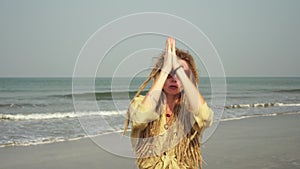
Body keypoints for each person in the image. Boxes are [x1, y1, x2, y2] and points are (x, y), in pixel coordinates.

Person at [124, 37, 213, 169]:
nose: (174, 79)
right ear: (159, 76)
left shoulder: (190, 109)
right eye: (169, 75)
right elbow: (141, 117)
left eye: (181, 74)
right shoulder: (141, 103)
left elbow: (205, 117)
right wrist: (165, 69)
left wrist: (178, 68)